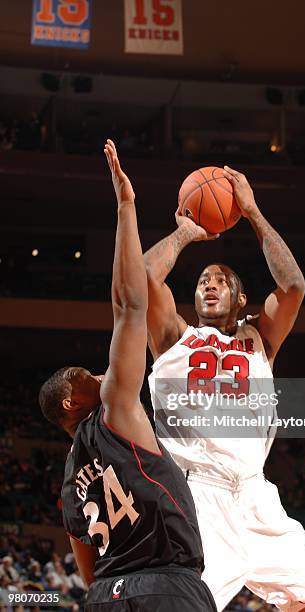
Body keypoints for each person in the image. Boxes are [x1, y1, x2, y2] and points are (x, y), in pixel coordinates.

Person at [144, 166, 305, 611]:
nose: (209, 285)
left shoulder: (259, 338)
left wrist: (251, 211)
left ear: (240, 299)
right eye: (202, 282)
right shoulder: (175, 336)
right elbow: (144, 279)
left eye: (221, 281)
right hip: (197, 492)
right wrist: (183, 235)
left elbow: (293, 286)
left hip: (255, 492)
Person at [38, 140, 216, 612]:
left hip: (105, 596)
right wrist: (126, 207)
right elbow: (129, 305)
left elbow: (86, 568)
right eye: (84, 376)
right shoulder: (114, 408)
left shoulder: (69, 477)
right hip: (167, 585)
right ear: (69, 405)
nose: (98, 372)